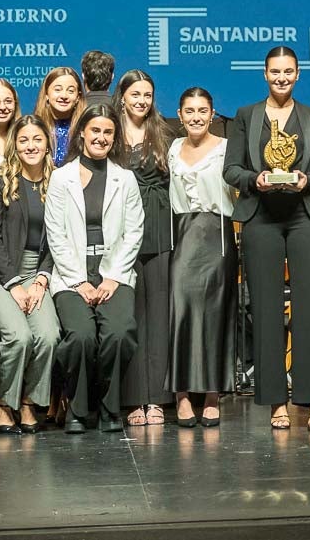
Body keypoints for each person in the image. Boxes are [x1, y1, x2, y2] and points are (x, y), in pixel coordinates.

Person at [224, 46, 310, 431]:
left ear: (298, 74)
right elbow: (231, 170)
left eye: (288, 71)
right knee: (267, 310)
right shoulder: (245, 116)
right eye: (275, 72)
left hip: (304, 217)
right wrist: (253, 180)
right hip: (261, 217)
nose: (281, 78)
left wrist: (309, 180)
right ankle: (276, 401)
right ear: (264, 73)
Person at [45, 105, 144, 434]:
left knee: (119, 333)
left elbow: (134, 232)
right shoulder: (61, 178)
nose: (101, 137)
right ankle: (78, 407)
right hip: (72, 276)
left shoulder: (125, 179)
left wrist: (113, 277)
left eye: (108, 132)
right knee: (81, 336)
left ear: (114, 138)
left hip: (115, 275)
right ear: (82, 133)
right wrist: (79, 282)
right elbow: (55, 235)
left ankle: (109, 407)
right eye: (95, 131)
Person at [0, 116, 59, 434]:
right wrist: (14, 284)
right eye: (24, 139)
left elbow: (60, 238)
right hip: (1, 276)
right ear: (14, 144)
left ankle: (28, 401)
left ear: (47, 144)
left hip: (39, 274)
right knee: (19, 337)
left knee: (48, 336)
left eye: (37, 139)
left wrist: (42, 278)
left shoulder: (58, 182)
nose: (30, 145)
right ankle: (2, 403)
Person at [168, 87, 237, 428]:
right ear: (179, 115)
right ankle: (181, 395)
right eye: (190, 110)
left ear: (212, 114)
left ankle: (212, 395)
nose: (196, 116)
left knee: (214, 314)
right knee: (181, 311)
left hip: (217, 238)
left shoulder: (227, 149)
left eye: (203, 110)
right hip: (181, 236)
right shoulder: (171, 149)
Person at [113, 69, 174, 426]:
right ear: (122, 96)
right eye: (135, 94)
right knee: (132, 314)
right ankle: (134, 398)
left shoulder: (163, 132)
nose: (141, 100)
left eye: (147, 95)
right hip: (122, 231)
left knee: (158, 315)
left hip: (159, 227)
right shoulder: (109, 130)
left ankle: (157, 399)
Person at [35, 67, 85, 167]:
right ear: (46, 94)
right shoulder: (34, 127)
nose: (64, 96)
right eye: (58, 89)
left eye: (70, 91)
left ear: (78, 97)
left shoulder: (85, 129)